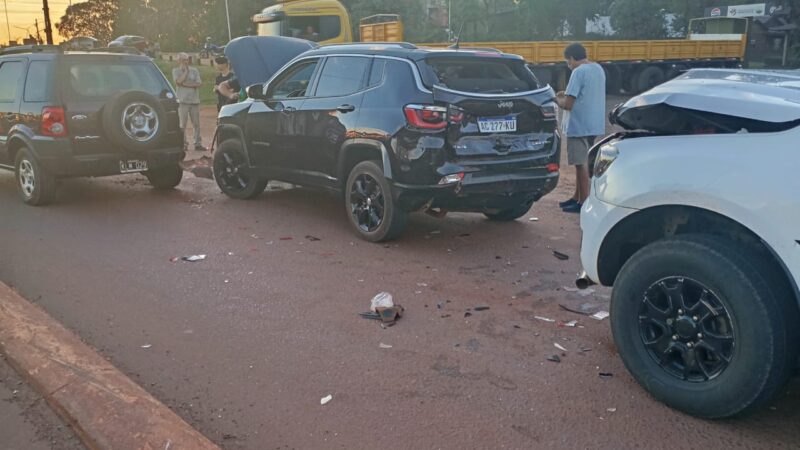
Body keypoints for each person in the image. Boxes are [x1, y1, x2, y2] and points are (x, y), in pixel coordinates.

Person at [555, 43, 606, 214]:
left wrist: (556, 100)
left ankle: (583, 202)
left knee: (580, 164)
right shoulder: (598, 68)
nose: (568, 65)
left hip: (578, 125)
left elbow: (568, 104)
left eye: (568, 61)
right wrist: (566, 94)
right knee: (583, 162)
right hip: (593, 124)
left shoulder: (578, 72)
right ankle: (577, 196)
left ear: (571, 58)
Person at [172, 53, 204, 151]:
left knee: (196, 124)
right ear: (178, 61)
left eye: (186, 59)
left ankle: (197, 143)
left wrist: (185, 84)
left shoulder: (194, 70)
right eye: (183, 60)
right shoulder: (176, 71)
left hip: (194, 100)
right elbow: (178, 82)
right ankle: (183, 143)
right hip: (182, 101)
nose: (185, 61)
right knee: (183, 124)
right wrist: (185, 72)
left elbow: (199, 83)